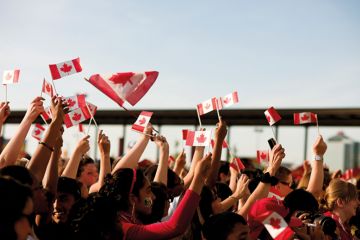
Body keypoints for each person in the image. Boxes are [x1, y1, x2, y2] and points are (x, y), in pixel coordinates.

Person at [99, 153, 212, 240]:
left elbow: (160, 187)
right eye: (148, 191)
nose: (154, 197)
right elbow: (175, 226)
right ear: (132, 198)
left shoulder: (129, 218)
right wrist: (199, 178)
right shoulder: (124, 229)